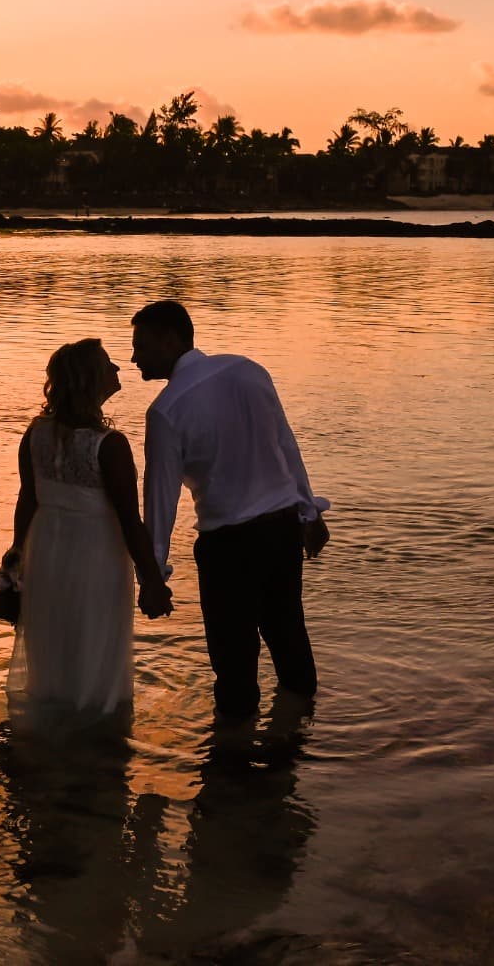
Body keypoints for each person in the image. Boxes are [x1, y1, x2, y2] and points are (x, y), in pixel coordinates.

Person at [130, 300, 329, 720]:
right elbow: (286, 445)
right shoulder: (248, 370)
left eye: (141, 346)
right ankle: (298, 739)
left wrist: (153, 577)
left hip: (228, 546)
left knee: (233, 660)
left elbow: (161, 499)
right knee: (289, 637)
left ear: (171, 340)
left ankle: (234, 749)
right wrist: (310, 512)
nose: (133, 358)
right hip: (282, 532)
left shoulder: (166, 410)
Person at [4, 338, 172, 723]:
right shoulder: (109, 445)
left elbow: (28, 500)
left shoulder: (35, 434)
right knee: (94, 639)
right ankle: (97, 724)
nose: (117, 369)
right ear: (91, 378)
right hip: (95, 556)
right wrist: (152, 580)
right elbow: (130, 521)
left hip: (46, 550)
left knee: (54, 637)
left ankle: (51, 722)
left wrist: (16, 556)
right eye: (108, 364)